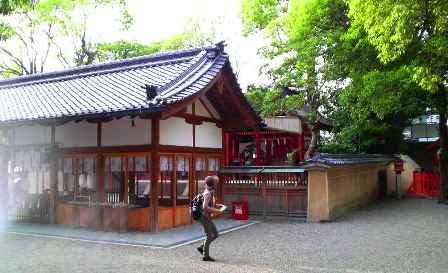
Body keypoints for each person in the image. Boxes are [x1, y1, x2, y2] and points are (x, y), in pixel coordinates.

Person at [197, 175, 223, 262]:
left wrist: (217, 206)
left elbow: (210, 204)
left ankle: (202, 247)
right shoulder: (208, 193)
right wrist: (216, 210)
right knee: (209, 235)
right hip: (204, 217)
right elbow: (205, 207)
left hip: (208, 217)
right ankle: (206, 255)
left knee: (215, 234)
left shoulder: (210, 191)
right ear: (212, 184)